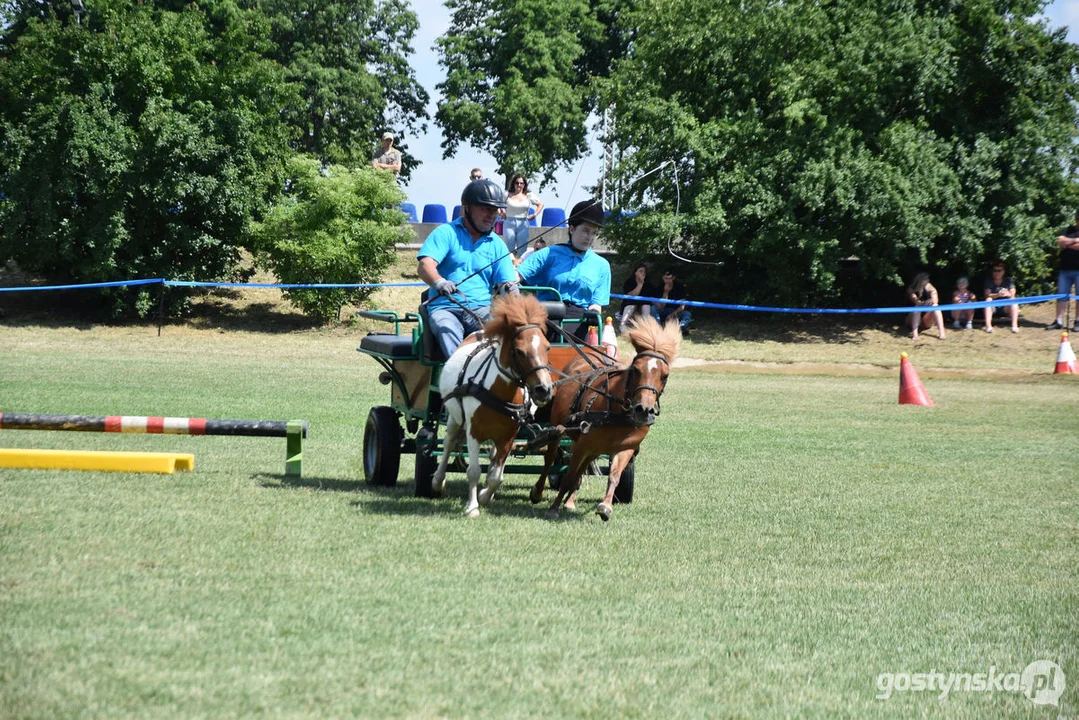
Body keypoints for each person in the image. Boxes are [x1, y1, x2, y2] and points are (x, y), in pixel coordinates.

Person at [416, 179, 517, 358]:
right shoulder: (446, 232)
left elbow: (505, 283)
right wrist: (439, 282)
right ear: (467, 208)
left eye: (495, 210)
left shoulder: (497, 244)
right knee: (445, 327)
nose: (491, 215)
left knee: (503, 328)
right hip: (445, 308)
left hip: (481, 309)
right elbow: (425, 265)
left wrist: (511, 289)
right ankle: (460, 376)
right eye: (485, 208)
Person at [516, 199, 611, 341]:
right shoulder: (548, 254)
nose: (589, 237)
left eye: (594, 233)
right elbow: (516, 276)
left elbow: (596, 304)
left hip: (579, 323)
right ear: (572, 229)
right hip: (546, 317)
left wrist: (594, 313)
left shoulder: (602, 265)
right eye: (585, 231)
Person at [1046, 211, 1079, 331]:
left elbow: (1066, 243)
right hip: (1065, 269)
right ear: (1076, 219)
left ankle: (1077, 321)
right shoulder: (1068, 230)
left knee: (1078, 297)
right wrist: (1075, 241)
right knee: (1061, 295)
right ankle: (1058, 321)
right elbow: (1060, 241)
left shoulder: (1069, 235)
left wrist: (1068, 243)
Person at [502, 174, 543, 258]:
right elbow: (499, 205)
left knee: (522, 250)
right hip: (509, 222)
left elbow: (540, 204)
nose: (519, 185)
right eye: (517, 183)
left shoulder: (528, 195)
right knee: (509, 250)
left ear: (524, 185)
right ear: (513, 183)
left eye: (521, 183)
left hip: (523, 223)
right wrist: (501, 212)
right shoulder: (507, 194)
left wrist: (534, 215)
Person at [905, 272, 947, 340]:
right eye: (924, 279)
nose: (927, 281)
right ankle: (915, 334)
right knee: (917, 308)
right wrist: (922, 303)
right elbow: (915, 300)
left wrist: (930, 300)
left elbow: (935, 299)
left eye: (927, 280)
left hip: (926, 319)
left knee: (936, 306)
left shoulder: (929, 287)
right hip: (912, 317)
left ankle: (942, 333)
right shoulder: (911, 289)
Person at [652, 268, 692, 337]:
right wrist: (666, 292)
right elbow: (661, 306)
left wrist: (673, 314)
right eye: (666, 278)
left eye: (670, 278)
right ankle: (658, 328)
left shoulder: (680, 287)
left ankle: (681, 327)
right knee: (652, 308)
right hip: (664, 310)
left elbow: (682, 306)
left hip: (676, 311)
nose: (667, 281)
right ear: (663, 278)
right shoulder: (660, 287)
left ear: (673, 278)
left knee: (687, 313)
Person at [982, 260, 1019, 333]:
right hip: (994, 307)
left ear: (1003, 271)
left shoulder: (1008, 280)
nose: (996, 272)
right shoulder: (989, 281)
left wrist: (1008, 294)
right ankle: (988, 326)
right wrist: (997, 295)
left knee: (1013, 299)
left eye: (999, 270)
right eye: (994, 270)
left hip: (1005, 307)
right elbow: (987, 294)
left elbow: (1013, 293)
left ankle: (1014, 325)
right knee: (988, 300)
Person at [618, 263, 656, 333]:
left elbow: (651, 299)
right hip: (630, 305)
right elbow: (632, 295)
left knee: (646, 305)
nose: (643, 273)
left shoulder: (648, 285)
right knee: (632, 304)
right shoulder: (629, 282)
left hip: (642, 307)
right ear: (635, 273)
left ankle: (645, 327)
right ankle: (623, 325)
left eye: (644, 272)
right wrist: (640, 284)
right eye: (640, 271)